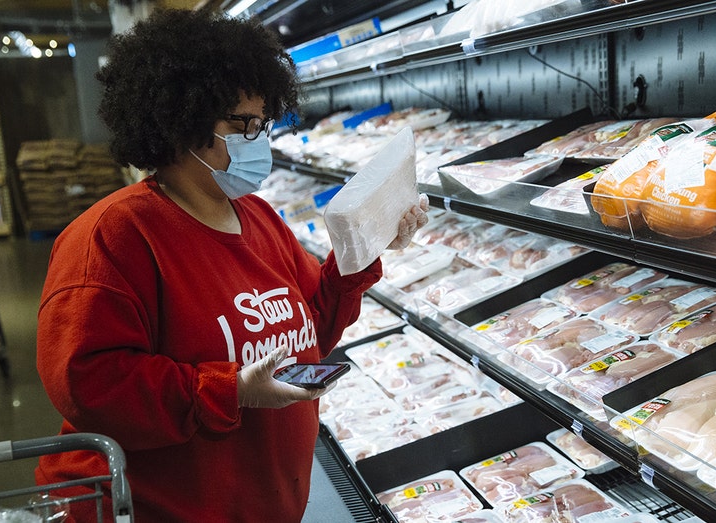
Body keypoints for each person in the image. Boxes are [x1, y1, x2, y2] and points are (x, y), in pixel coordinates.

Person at [35, 8, 428, 522]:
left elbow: (311, 329)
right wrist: (230, 391)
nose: (259, 140)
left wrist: (365, 245)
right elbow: (90, 385)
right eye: (244, 126)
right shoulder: (112, 239)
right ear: (181, 121)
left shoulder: (258, 217)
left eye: (264, 124)